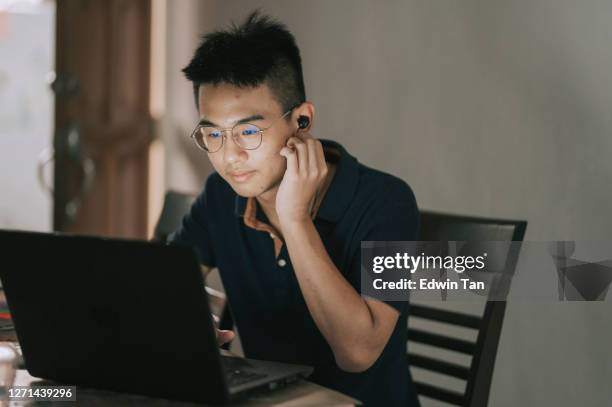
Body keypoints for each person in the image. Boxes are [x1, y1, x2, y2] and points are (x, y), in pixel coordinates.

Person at [169, 11, 420, 407]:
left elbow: (358, 354)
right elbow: (168, 284)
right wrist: (186, 315)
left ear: (302, 120)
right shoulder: (221, 194)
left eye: (249, 131)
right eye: (212, 134)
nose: (229, 155)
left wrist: (294, 219)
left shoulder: (387, 200)